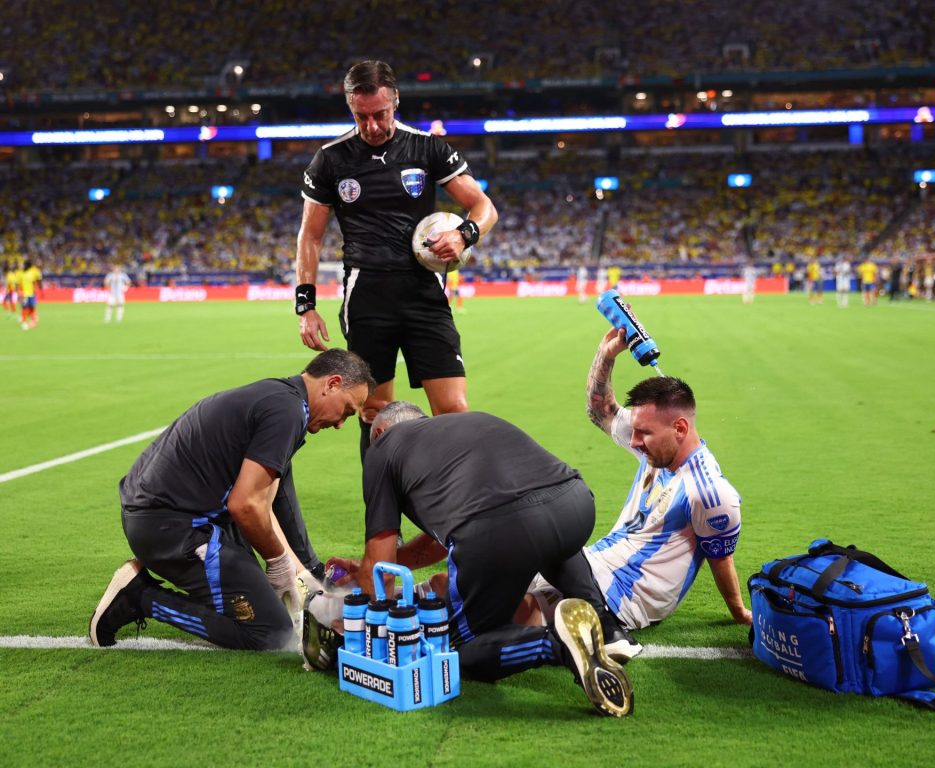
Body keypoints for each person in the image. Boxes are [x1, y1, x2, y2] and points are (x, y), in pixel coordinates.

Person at [317, 403, 634, 717]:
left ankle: (558, 645)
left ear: (381, 432)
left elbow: (382, 574)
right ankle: (606, 625)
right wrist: (375, 566)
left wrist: (361, 624)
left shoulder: (382, 448)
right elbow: (438, 541)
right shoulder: (466, 424)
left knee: (460, 647)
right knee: (544, 530)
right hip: (575, 505)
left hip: (504, 530)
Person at [89, 349, 375, 651]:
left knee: (268, 600)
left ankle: (233, 590)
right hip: (171, 527)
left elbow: (272, 502)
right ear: (332, 384)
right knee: (270, 632)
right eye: (347, 410)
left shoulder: (282, 399)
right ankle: (139, 597)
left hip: (168, 514)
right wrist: (280, 565)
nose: (341, 423)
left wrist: (308, 573)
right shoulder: (288, 413)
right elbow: (246, 505)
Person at [294, 60, 498, 457]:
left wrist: (463, 234)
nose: (372, 126)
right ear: (350, 107)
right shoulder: (330, 159)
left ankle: (449, 497)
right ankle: (381, 500)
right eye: (361, 116)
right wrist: (306, 305)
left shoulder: (428, 148)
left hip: (424, 295)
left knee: (454, 410)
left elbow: (484, 207)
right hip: (367, 298)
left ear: (396, 101)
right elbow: (310, 235)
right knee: (374, 410)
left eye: (380, 114)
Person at [520, 327, 751, 633]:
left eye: (644, 433)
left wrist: (739, 612)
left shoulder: (709, 493)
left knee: (513, 612)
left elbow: (721, 560)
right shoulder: (657, 448)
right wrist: (607, 354)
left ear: (680, 428)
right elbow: (600, 410)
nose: (634, 441)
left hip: (624, 595)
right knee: (492, 575)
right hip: (594, 563)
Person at [19, 259, 42, 330]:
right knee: (24, 308)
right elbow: (20, 284)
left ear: (28, 266)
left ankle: (33, 320)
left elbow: (36, 281)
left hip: (31, 294)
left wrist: (38, 286)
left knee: (31, 307)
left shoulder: (31, 273)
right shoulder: (21, 273)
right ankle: (24, 322)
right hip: (24, 294)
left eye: (24, 265)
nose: (23, 266)